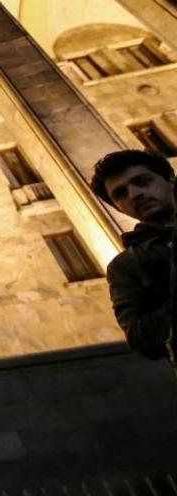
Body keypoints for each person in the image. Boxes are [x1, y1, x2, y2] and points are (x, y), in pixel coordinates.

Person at [91, 149, 176, 361]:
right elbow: (141, 339)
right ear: (118, 208)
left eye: (142, 181)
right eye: (120, 194)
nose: (134, 194)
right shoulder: (125, 266)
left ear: (170, 180)